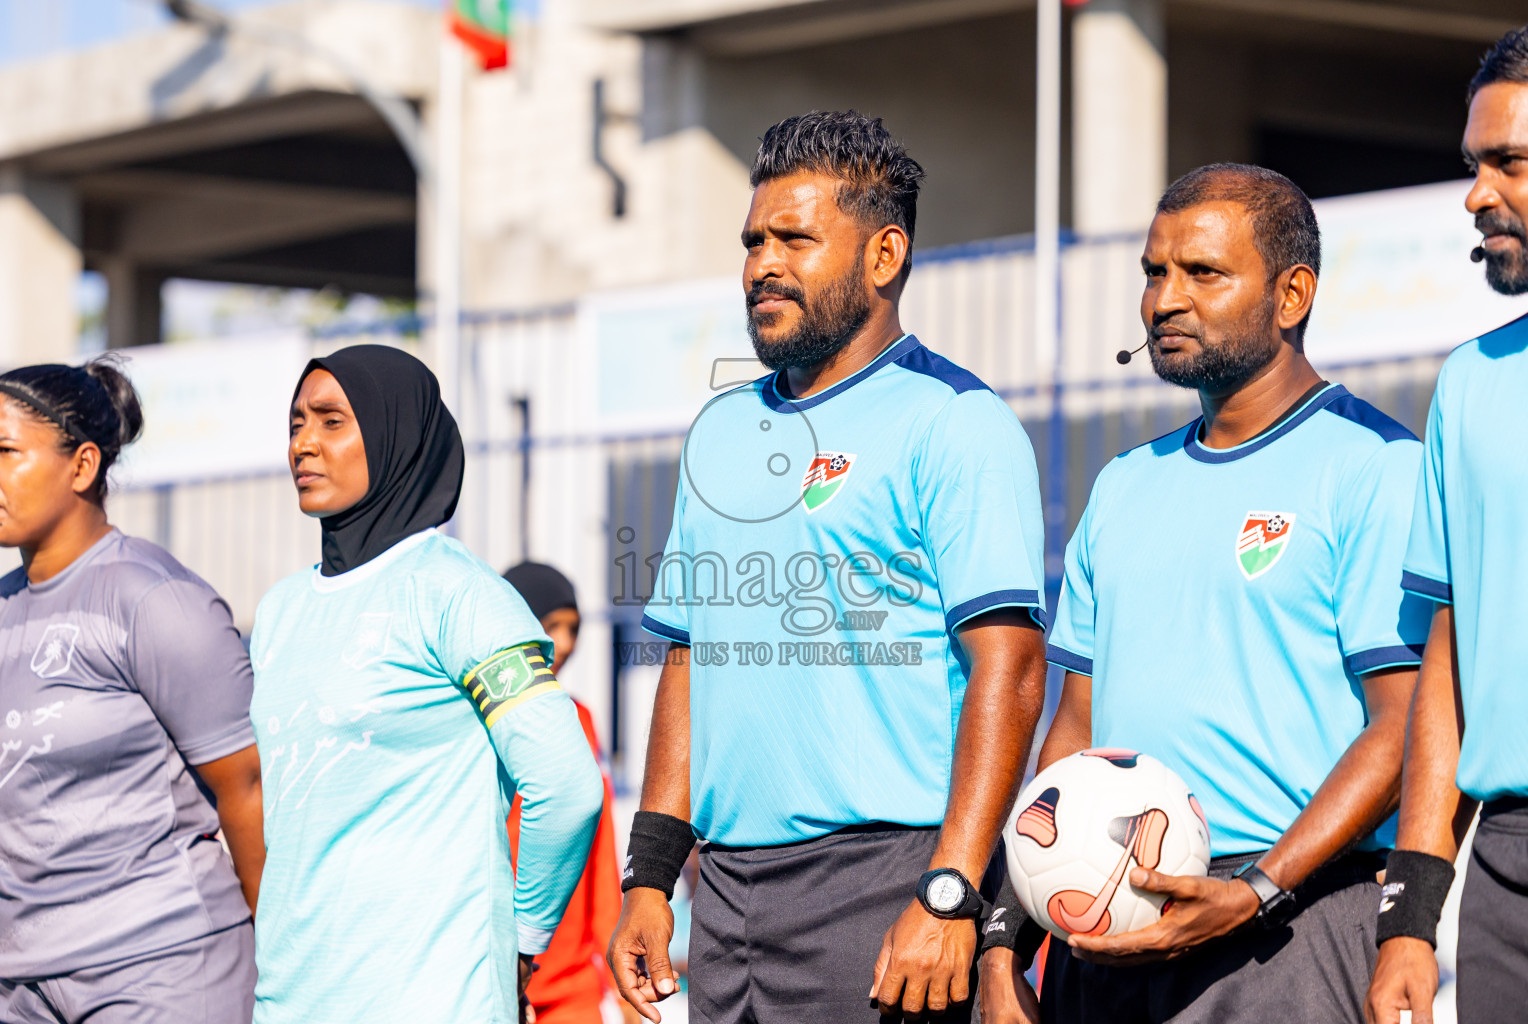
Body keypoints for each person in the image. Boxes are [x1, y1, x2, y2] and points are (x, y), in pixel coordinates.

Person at [607, 110, 1049, 1024]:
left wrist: (950, 891)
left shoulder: (955, 421)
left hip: (886, 885)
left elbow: (1009, 671)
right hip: (724, 896)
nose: (763, 264)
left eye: (795, 239)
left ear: (884, 256)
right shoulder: (721, 432)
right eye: (753, 240)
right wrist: (650, 875)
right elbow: (692, 660)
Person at [978, 164, 1433, 1024]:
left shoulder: (1379, 469)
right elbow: (1071, 733)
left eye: (1203, 273)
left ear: (1292, 293)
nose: (1164, 301)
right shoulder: (1122, 484)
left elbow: (1404, 726)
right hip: (1102, 928)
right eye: (1155, 272)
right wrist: (1007, 937)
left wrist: (1258, 890)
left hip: (1285, 927)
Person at [249, 345, 603, 1024]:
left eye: (331, 422)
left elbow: (566, 784)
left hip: (432, 996)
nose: (303, 444)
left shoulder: (460, 594)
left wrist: (523, 937)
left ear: (394, 436)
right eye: (296, 423)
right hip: (292, 998)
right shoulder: (279, 611)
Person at [0, 359, 263, 1024]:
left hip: (160, 968)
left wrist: (288, 964)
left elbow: (249, 789)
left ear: (82, 466)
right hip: (22, 982)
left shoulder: (154, 600)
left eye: (5, 453)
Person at [1366, 22, 1528, 1024]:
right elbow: (1447, 666)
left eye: (1511, 161)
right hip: (1509, 870)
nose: (1477, 194)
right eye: (1475, 165)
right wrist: (1410, 918)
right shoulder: (1469, 384)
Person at [502, 561, 637, 1024]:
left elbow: (600, 853)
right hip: (498, 980)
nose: (563, 643)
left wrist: (621, 977)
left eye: (572, 628)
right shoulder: (479, 724)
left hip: (573, 985)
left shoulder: (580, 720)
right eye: (549, 626)